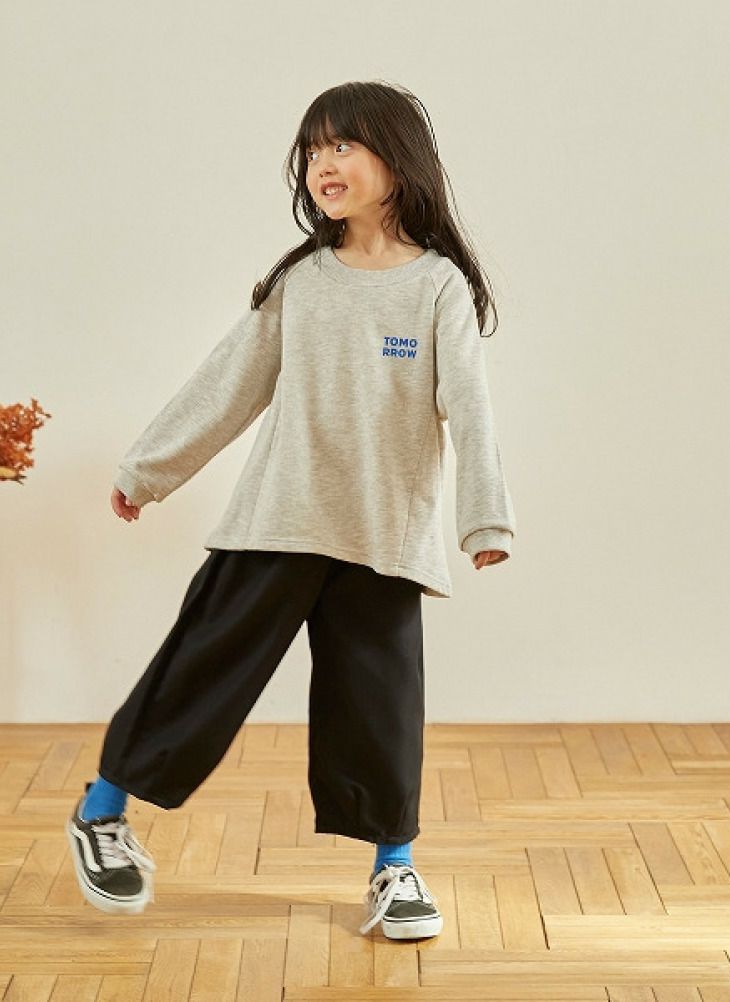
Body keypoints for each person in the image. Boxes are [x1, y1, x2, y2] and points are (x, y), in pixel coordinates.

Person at [65, 79, 516, 941]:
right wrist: (149, 468)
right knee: (203, 669)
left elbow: (470, 406)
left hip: (383, 532)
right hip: (280, 516)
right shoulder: (303, 281)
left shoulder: (439, 288)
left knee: (380, 703)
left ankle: (394, 867)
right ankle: (101, 811)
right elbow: (229, 382)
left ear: (399, 159)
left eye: (342, 145)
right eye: (312, 150)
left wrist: (484, 518)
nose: (323, 163)